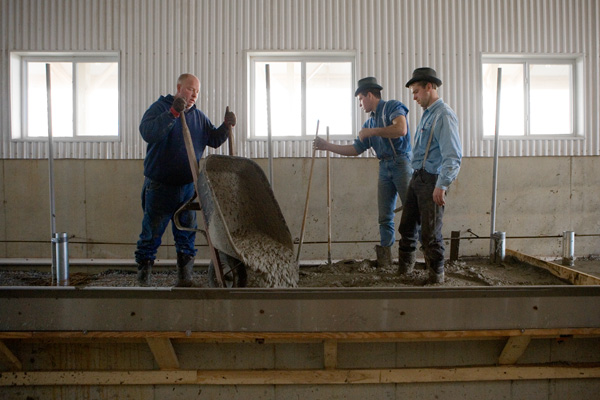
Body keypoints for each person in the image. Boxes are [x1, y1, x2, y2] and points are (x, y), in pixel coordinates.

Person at [135, 73, 236, 286]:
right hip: (160, 187)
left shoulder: (197, 117)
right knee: (151, 237)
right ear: (179, 87)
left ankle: (185, 282)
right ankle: (143, 285)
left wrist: (226, 127)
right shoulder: (160, 108)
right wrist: (172, 113)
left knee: (186, 237)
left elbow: (214, 139)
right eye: (191, 89)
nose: (194, 95)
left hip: (188, 187)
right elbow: (147, 132)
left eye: (197, 91)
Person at [313, 77, 412, 267]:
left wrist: (372, 132)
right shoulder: (369, 124)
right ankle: (386, 262)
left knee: (412, 212)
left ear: (369, 95)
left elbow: (401, 129)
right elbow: (355, 149)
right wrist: (327, 146)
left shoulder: (392, 107)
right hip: (384, 166)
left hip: (401, 162)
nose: (360, 104)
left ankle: (419, 257)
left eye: (360, 99)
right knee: (384, 216)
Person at [398, 67, 462, 284]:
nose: (414, 97)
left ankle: (437, 277)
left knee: (430, 233)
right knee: (407, 227)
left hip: (432, 181)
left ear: (429, 87)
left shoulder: (444, 115)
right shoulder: (428, 115)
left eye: (416, 91)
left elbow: (452, 156)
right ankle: (404, 272)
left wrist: (442, 185)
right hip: (418, 178)